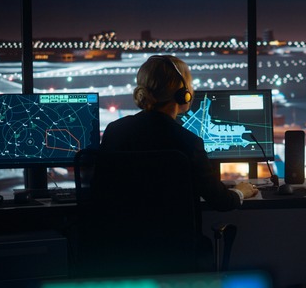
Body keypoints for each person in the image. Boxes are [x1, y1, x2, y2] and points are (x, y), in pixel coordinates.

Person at [99, 55, 258, 269]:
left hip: (120, 251)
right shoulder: (187, 142)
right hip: (176, 255)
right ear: (183, 94)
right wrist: (241, 191)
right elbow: (220, 201)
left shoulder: (114, 132)